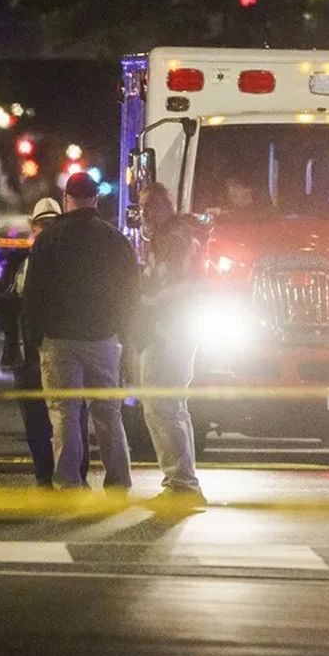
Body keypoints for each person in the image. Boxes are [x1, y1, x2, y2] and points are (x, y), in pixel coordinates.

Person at [23, 172, 139, 489]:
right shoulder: (116, 239)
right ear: (96, 200)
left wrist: (32, 338)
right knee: (108, 412)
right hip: (103, 338)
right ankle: (119, 479)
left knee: (65, 413)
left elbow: (34, 294)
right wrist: (126, 336)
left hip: (59, 340)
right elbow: (130, 292)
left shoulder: (49, 240)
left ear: (66, 200)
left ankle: (68, 481)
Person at [0, 197, 90, 486]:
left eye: (51, 224)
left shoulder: (69, 264)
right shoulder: (20, 263)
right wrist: (0, 302)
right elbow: (5, 311)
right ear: (33, 228)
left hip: (58, 351)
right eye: (41, 225)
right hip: (26, 355)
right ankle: (45, 477)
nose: (45, 230)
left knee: (70, 418)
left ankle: (75, 477)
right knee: (37, 423)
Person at [137, 183, 208, 505]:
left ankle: (181, 484)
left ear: (163, 206)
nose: (143, 214)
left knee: (162, 406)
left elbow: (174, 286)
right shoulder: (181, 235)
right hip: (177, 330)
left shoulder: (172, 240)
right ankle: (181, 481)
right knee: (171, 407)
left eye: (148, 206)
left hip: (169, 331)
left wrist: (146, 299)